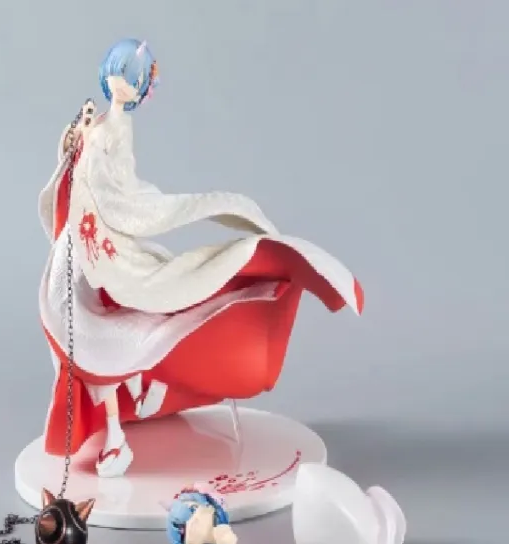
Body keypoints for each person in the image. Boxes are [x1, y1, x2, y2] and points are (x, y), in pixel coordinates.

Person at [38, 38, 364, 478]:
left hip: (103, 239)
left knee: (111, 333)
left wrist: (106, 184)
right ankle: (126, 413)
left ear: (139, 91)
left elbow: (121, 188)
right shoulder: (98, 122)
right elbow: (76, 165)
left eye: (132, 80)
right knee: (78, 326)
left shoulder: (118, 129)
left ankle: (122, 427)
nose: (122, 84)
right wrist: (73, 142)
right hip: (84, 244)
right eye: (119, 73)